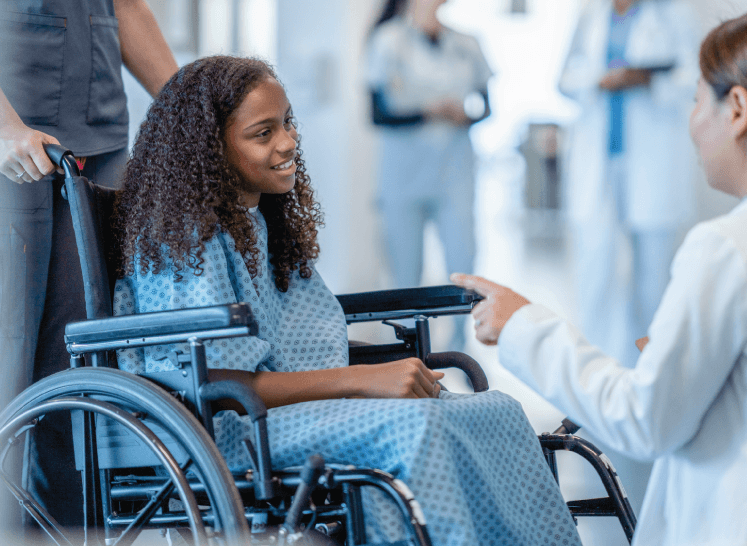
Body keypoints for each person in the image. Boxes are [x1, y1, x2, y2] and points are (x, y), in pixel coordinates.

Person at [453, 6, 747, 545]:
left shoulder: (732, 247)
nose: (692, 120)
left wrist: (523, 324)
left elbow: (642, 420)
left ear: (738, 109)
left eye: (699, 98)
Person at [113, 55, 580, 546]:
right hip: (232, 430)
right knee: (415, 426)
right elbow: (217, 380)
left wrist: (369, 382)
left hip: (294, 415)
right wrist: (365, 381)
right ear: (209, 150)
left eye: (288, 123)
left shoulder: (257, 222)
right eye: (263, 133)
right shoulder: (185, 239)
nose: (289, 142)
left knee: (496, 410)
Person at [0, 0, 178, 528]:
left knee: (84, 373)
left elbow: (125, 6)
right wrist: (1, 126)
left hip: (96, 138)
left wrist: (203, 114)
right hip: (5, 144)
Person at [558, 0, 699, 369]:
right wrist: (597, 81)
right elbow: (564, 79)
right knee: (596, 265)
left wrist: (646, 78)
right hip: (600, 160)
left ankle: (651, 366)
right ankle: (600, 367)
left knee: (653, 274)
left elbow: (695, 78)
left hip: (652, 161)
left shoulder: (673, 16)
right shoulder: (590, 16)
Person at [365, 0, 492, 350]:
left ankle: (460, 344)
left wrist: (466, 115)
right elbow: (376, 114)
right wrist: (428, 111)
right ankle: (410, 350)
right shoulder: (388, 40)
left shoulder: (466, 43)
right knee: (406, 267)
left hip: (455, 171)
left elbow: (485, 106)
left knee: (463, 257)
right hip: (403, 173)